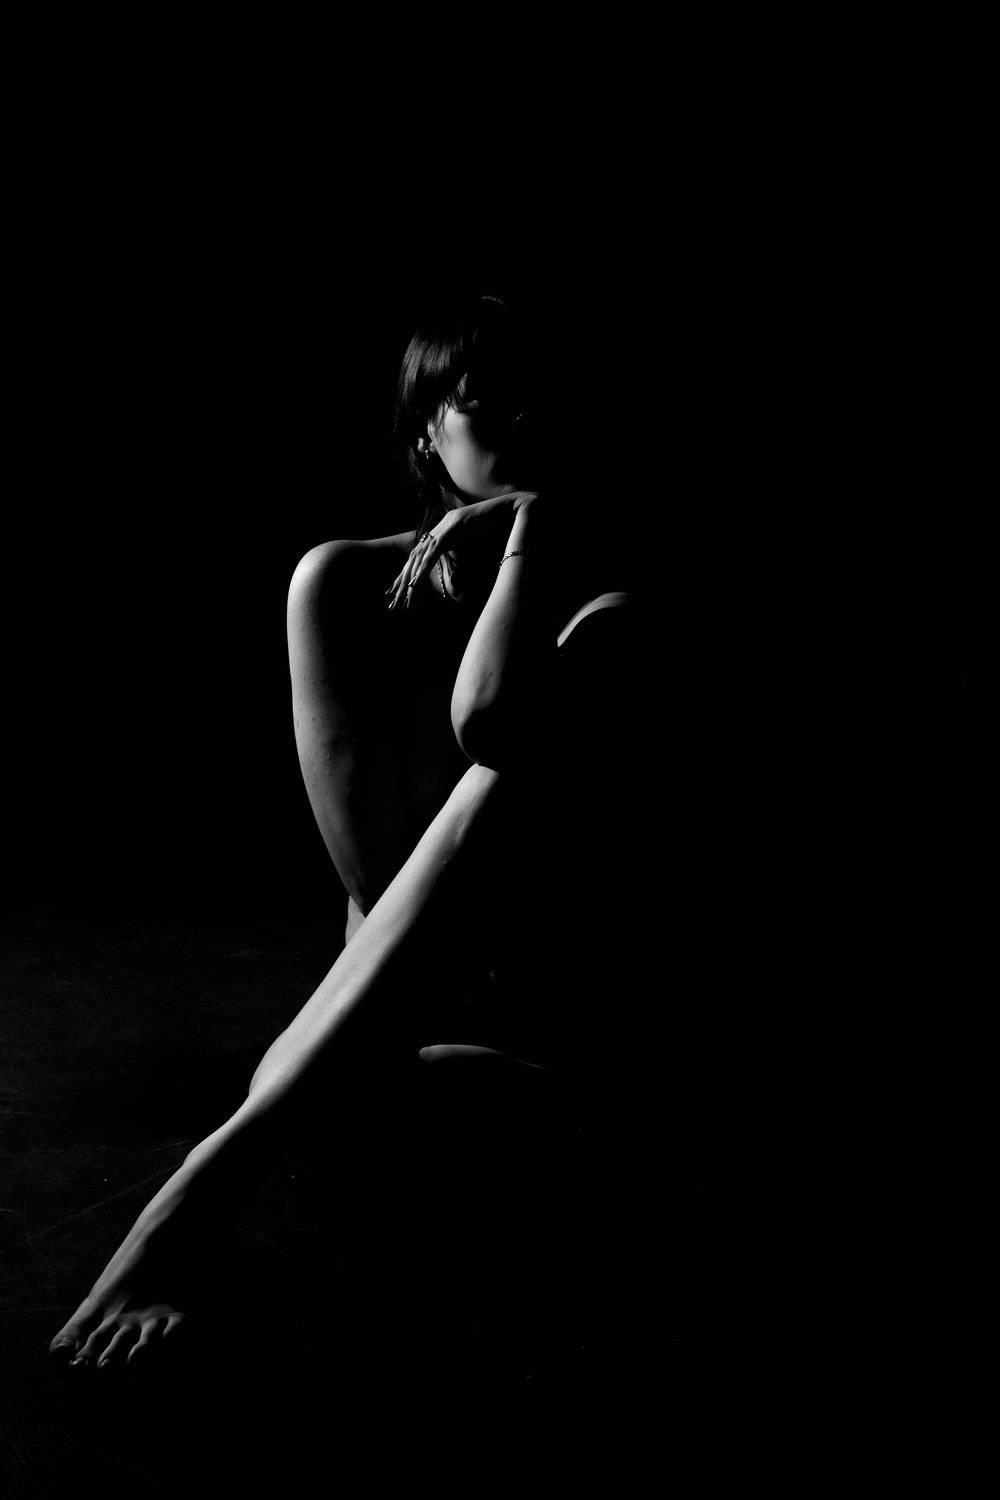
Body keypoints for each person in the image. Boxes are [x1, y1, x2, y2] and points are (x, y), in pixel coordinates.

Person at [48, 293, 645, 1383]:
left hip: (550, 1003)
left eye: (540, 404)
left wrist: (532, 530)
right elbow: (370, 866)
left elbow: (489, 722)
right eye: (485, 403)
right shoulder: (342, 582)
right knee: (365, 1101)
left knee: (505, 772)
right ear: (426, 433)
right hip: (385, 1013)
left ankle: (192, 1196)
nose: (520, 423)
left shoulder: (609, 615)